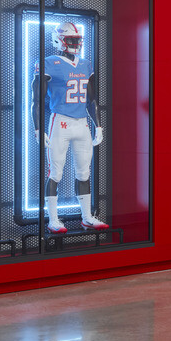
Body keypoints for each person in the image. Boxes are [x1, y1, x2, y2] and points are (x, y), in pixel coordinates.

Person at [32, 19, 105, 234]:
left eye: (77, 39)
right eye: (70, 39)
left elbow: (91, 99)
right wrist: (38, 128)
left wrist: (98, 125)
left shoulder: (85, 64)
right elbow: (36, 100)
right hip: (60, 122)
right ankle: (53, 219)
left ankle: (87, 217)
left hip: (82, 123)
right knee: (55, 171)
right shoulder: (49, 62)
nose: (75, 43)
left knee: (84, 171)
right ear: (59, 40)